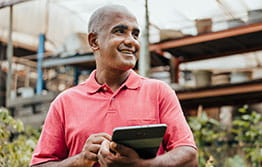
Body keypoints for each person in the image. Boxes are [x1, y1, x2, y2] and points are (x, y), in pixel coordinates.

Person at [30, 4, 198, 167]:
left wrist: (141, 165)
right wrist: (80, 160)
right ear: (94, 41)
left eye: (135, 34)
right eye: (120, 31)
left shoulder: (159, 92)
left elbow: (189, 157)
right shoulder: (65, 103)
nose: (131, 41)